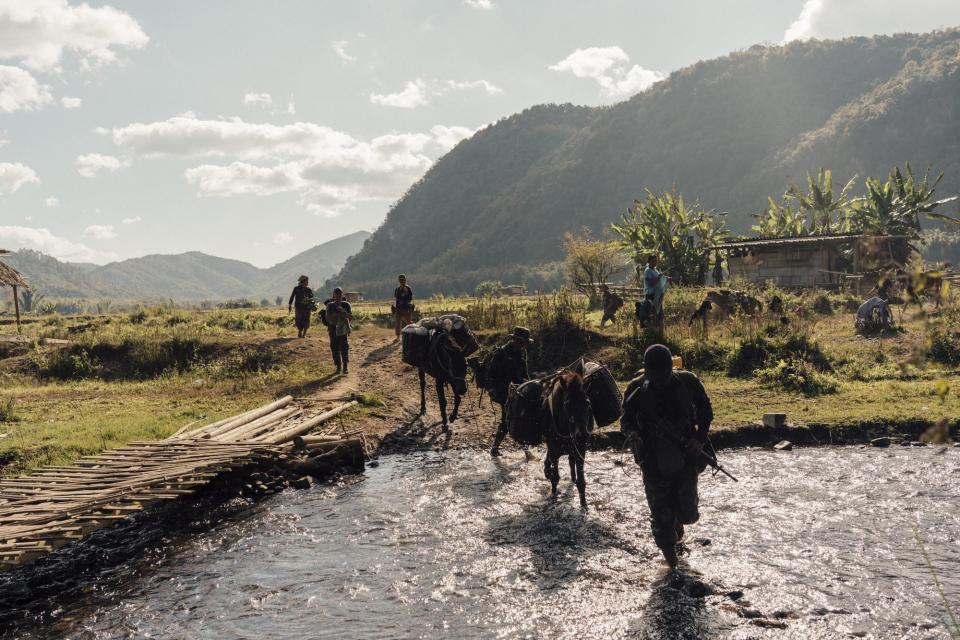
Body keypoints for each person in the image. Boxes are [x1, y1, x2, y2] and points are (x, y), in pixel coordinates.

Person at [620, 344, 714, 569]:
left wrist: (699, 439)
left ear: (670, 369)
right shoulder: (636, 389)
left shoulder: (688, 382)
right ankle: (674, 568)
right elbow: (625, 420)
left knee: (687, 513)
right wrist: (633, 435)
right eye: (654, 376)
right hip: (652, 461)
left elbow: (706, 411)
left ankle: (677, 527)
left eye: (662, 376)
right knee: (661, 518)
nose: (659, 381)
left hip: (686, 458)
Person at [488, 326, 533, 457]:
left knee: (523, 417)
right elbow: (491, 374)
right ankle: (494, 448)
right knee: (507, 418)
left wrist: (529, 384)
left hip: (518, 388)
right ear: (515, 340)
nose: (524, 345)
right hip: (502, 390)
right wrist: (493, 390)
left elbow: (525, 373)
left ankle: (525, 449)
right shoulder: (501, 353)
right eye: (522, 342)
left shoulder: (521, 352)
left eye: (525, 342)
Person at [325, 287, 353, 374]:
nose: (338, 297)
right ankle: (338, 366)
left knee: (344, 347)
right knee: (334, 348)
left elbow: (351, 317)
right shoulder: (330, 305)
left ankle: (345, 366)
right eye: (336, 295)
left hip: (343, 329)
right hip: (333, 329)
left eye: (339, 295)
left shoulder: (346, 305)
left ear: (342, 295)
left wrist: (343, 312)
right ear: (333, 295)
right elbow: (327, 318)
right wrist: (334, 315)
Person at [644, 255, 668, 324]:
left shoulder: (655, 270)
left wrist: (667, 278)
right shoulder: (647, 271)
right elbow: (651, 283)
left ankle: (659, 330)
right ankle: (652, 330)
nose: (655, 262)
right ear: (649, 262)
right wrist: (659, 277)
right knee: (652, 314)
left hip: (658, 295)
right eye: (653, 261)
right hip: (651, 295)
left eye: (656, 261)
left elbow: (660, 279)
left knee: (659, 313)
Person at [393, 274, 414, 338]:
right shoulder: (397, 289)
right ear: (399, 281)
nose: (402, 281)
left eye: (403, 280)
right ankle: (398, 336)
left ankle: (412, 334)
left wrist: (406, 293)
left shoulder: (408, 288)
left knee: (409, 322)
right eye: (400, 280)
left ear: (405, 280)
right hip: (398, 308)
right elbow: (397, 298)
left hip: (406, 308)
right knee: (398, 323)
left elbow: (410, 298)